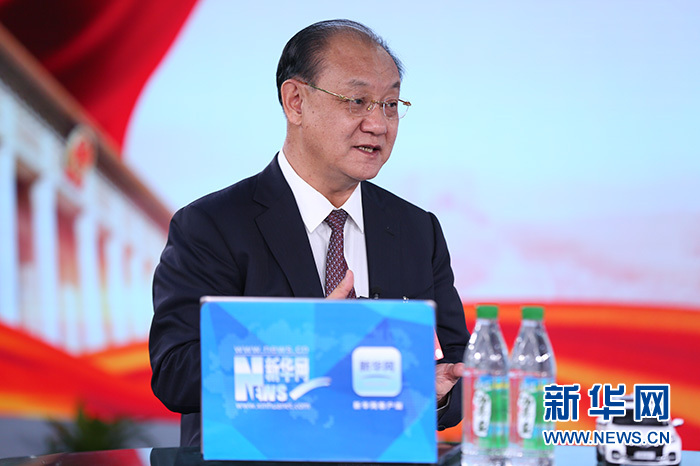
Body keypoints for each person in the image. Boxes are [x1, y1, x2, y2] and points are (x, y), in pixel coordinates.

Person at [149, 19, 470, 447]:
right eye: (357, 101)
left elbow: (457, 367)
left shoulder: (416, 229)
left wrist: (437, 393)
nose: (378, 124)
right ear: (295, 102)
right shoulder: (211, 226)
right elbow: (175, 372)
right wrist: (304, 345)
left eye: (391, 104)